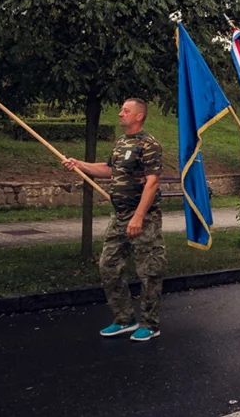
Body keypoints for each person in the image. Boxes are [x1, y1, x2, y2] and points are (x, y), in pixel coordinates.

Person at [62, 98, 166, 342]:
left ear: (139, 116)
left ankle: (150, 324)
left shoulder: (149, 144)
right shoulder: (121, 143)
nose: (120, 114)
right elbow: (109, 169)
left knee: (149, 271)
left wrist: (138, 217)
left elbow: (153, 182)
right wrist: (79, 164)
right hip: (119, 217)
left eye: (125, 111)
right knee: (108, 265)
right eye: (121, 109)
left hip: (143, 218)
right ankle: (124, 319)